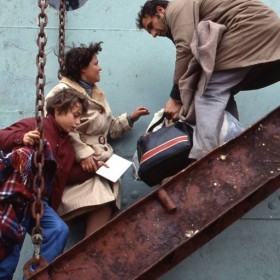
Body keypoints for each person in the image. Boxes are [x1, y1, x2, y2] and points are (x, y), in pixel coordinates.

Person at [136, 0, 280, 159]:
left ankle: (206, 157)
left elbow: (185, 48)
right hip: (262, 30)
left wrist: (175, 98)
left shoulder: (176, 8)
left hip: (250, 28)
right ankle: (231, 144)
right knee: (221, 90)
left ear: (160, 10)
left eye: (151, 26)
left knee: (208, 91)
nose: (154, 34)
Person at [46, 42, 150, 237]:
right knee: (99, 199)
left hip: (101, 160)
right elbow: (56, 126)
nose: (100, 67)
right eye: (95, 63)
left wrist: (130, 119)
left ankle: (88, 250)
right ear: (82, 68)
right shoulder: (61, 92)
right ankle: (85, 251)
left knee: (105, 202)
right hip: (81, 162)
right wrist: (84, 154)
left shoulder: (96, 93)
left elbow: (106, 130)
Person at [0, 88, 89, 279]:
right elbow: (2, 137)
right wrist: (20, 138)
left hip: (40, 204)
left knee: (58, 229)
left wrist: (92, 168)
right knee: (9, 256)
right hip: (20, 200)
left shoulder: (68, 147)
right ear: (57, 110)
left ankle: (35, 276)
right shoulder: (34, 125)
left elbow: (65, 176)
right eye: (75, 115)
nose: (78, 122)